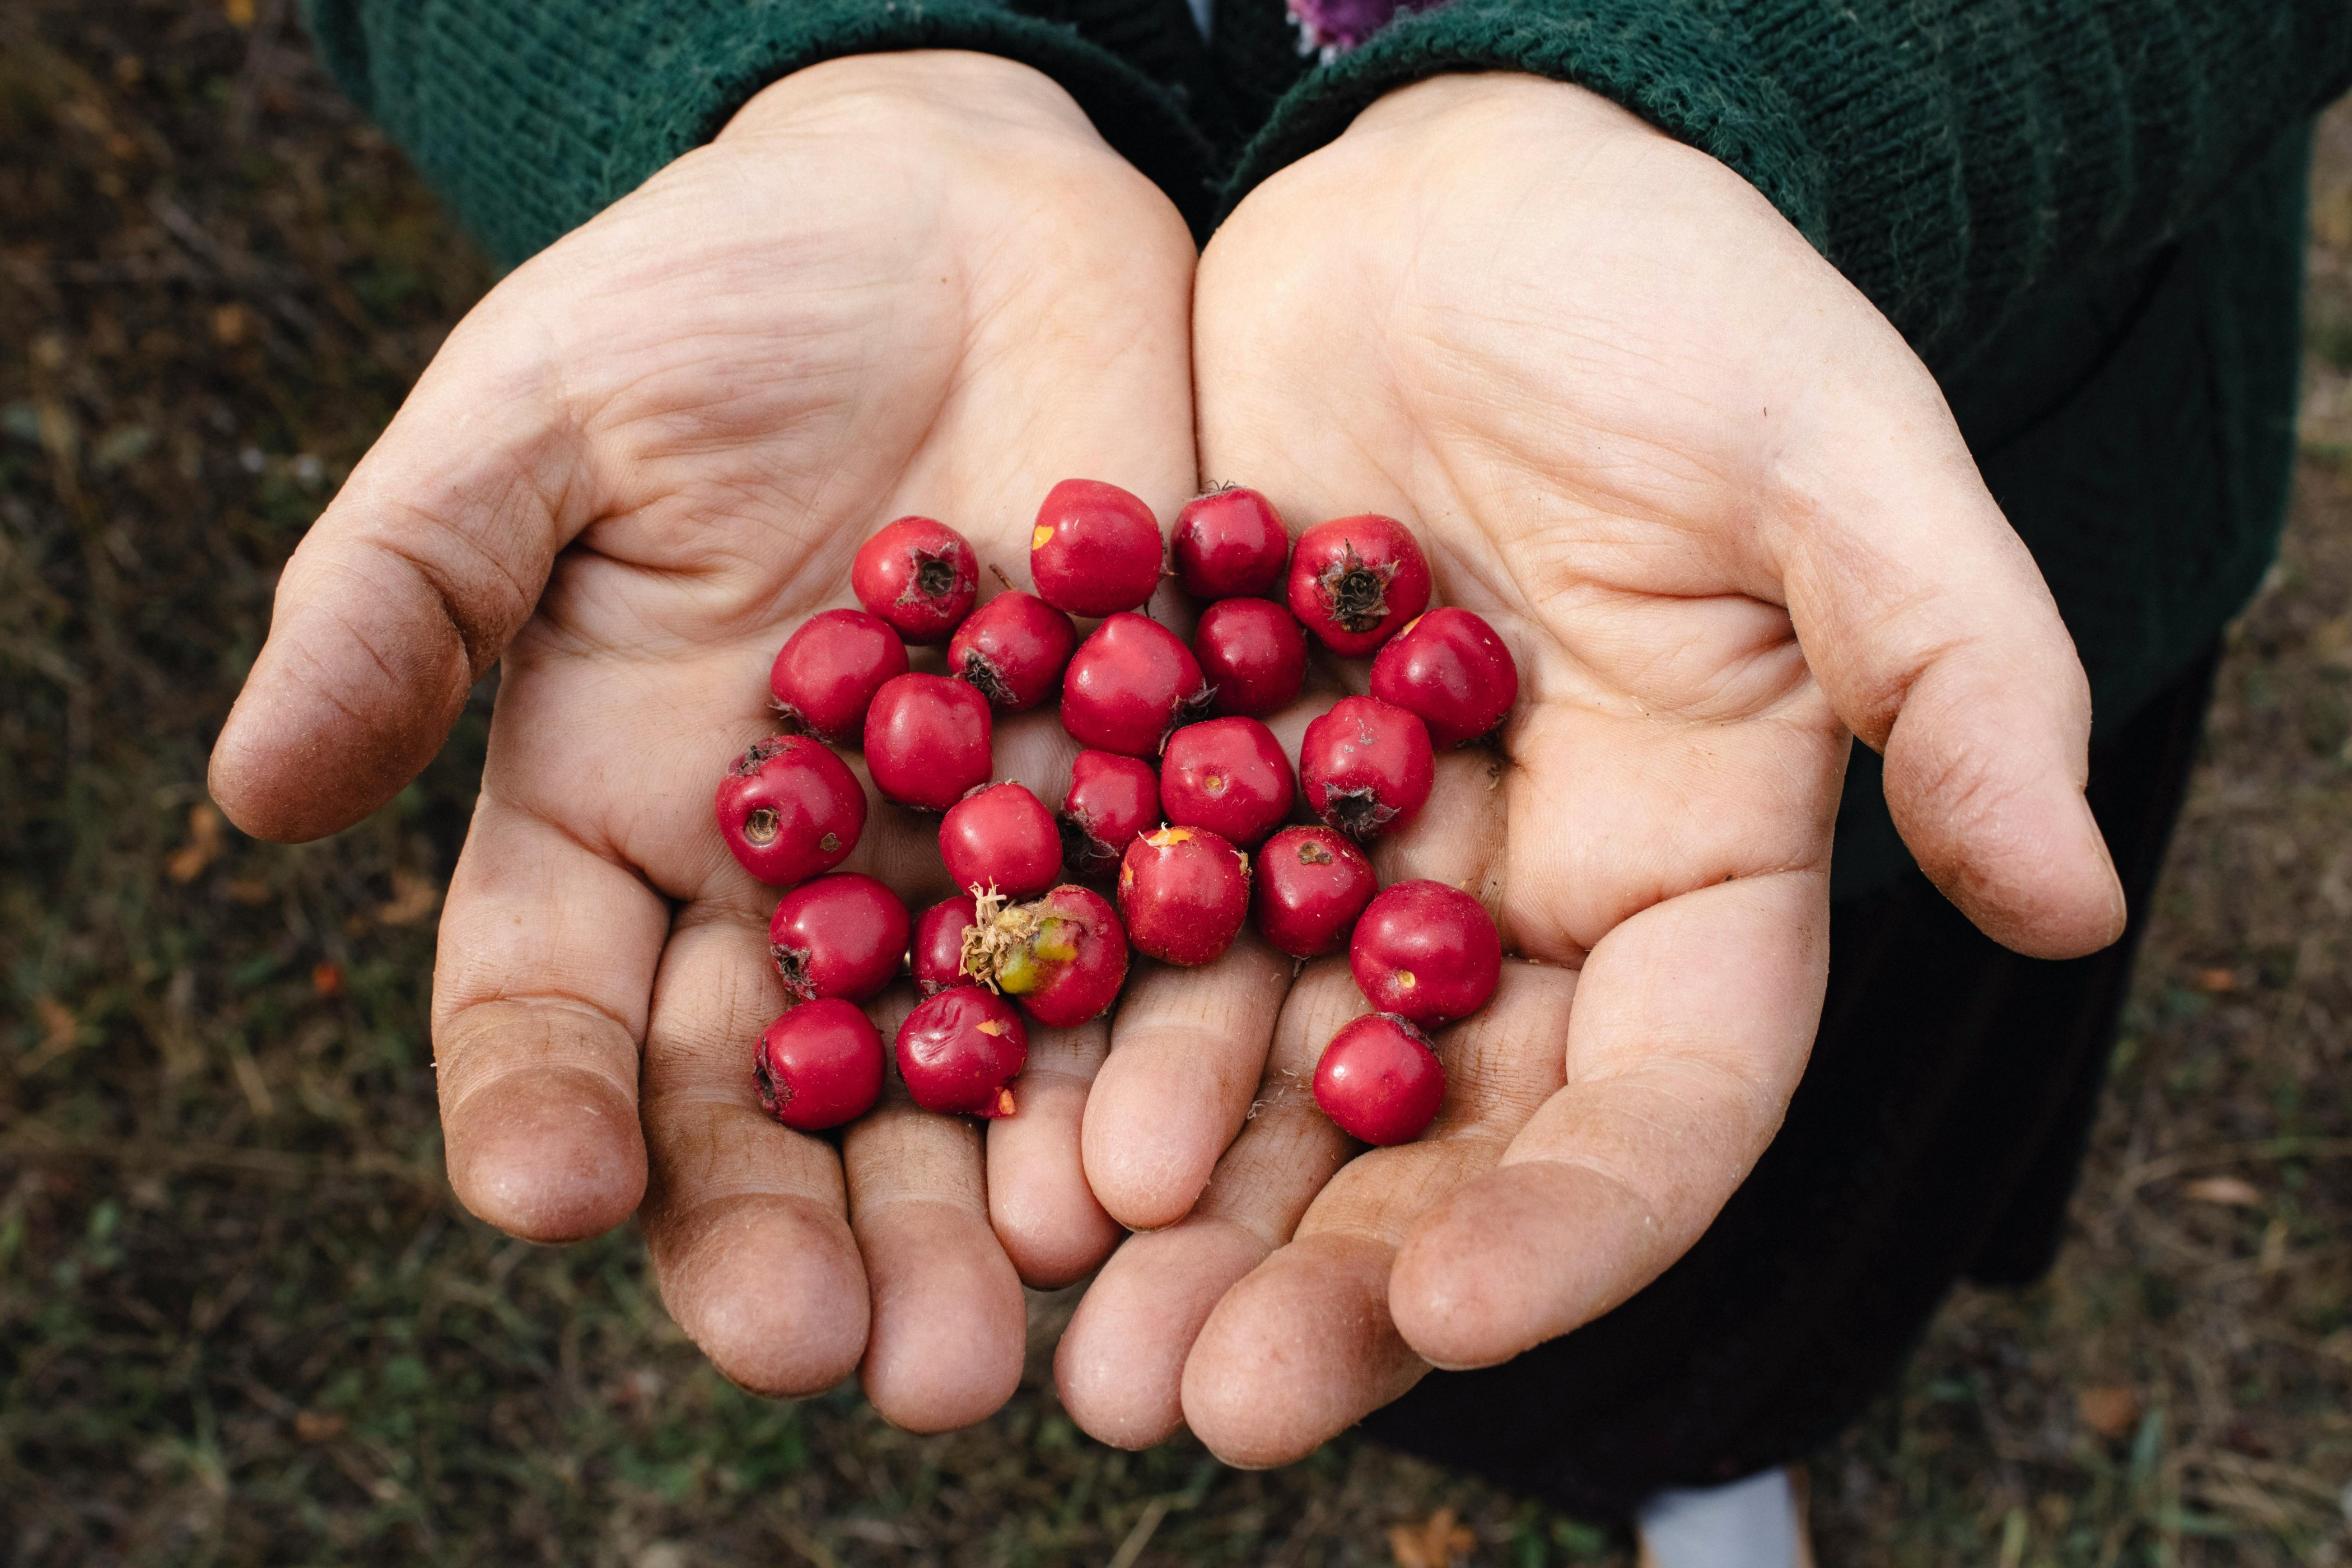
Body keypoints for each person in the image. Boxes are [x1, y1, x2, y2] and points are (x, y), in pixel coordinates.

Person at [208, 1, 2352, 1561]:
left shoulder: (1199, 741)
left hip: (1775, 571)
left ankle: (1726, 1443)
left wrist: (1730, 94)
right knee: (1446, 1235)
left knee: (1812, 1153)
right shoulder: (1099, 746)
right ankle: (1643, 1436)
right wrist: (782, 75)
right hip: (1429, 598)